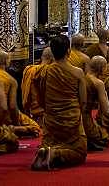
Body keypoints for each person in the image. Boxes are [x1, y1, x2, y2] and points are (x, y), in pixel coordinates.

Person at [31, 35, 88, 170]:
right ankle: (55, 154)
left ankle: (47, 150)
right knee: (79, 153)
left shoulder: (44, 71)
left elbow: (39, 98)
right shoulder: (77, 72)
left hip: (51, 119)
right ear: (68, 52)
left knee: (50, 142)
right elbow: (83, 101)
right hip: (71, 120)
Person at [0, 51, 39, 137]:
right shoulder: (10, 80)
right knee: (36, 128)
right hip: (4, 116)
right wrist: (17, 124)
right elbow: (12, 107)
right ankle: (11, 129)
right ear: (6, 62)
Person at [83, 56, 109, 150]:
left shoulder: (82, 77)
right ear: (102, 68)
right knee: (105, 139)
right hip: (86, 119)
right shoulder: (98, 83)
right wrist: (105, 94)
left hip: (75, 117)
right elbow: (106, 110)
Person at [21, 48, 53, 124]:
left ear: (42, 57)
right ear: (52, 59)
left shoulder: (29, 70)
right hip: (46, 115)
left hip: (32, 112)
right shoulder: (50, 72)